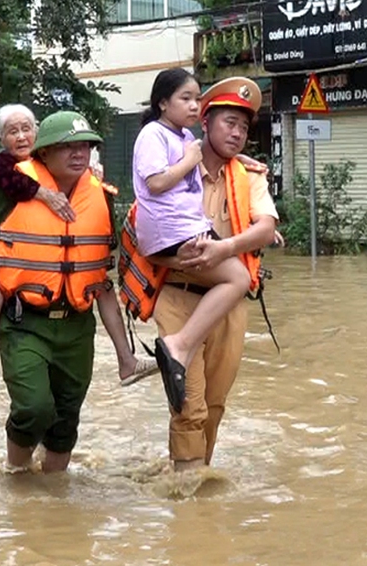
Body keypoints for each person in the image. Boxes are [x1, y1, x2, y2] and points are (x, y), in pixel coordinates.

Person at [0, 110, 135, 473]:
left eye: (84, 146)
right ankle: (17, 478)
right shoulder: (13, 189)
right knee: (34, 409)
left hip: (77, 326)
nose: (78, 154)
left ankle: (54, 496)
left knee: (66, 418)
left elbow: (103, 271)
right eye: (67, 147)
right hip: (25, 322)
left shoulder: (98, 194)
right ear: (43, 153)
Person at [120, 77, 278, 471]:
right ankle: (186, 487)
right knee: (188, 405)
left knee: (215, 403)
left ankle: (198, 481)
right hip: (177, 295)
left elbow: (265, 227)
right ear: (203, 123)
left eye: (244, 127)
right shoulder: (170, 166)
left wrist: (224, 249)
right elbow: (145, 232)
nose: (238, 133)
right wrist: (179, 261)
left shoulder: (249, 175)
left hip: (228, 304)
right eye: (229, 122)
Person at [131, 68, 251, 414]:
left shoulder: (181, 136)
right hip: (170, 229)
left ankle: (181, 345)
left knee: (234, 277)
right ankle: (180, 345)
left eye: (197, 98)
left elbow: (207, 155)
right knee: (238, 277)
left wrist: (243, 159)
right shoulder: (153, 134)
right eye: (186, 98)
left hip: (182, 227)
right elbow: (155, 183)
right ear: (163, 103)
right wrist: (187, 161)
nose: (195, 105)